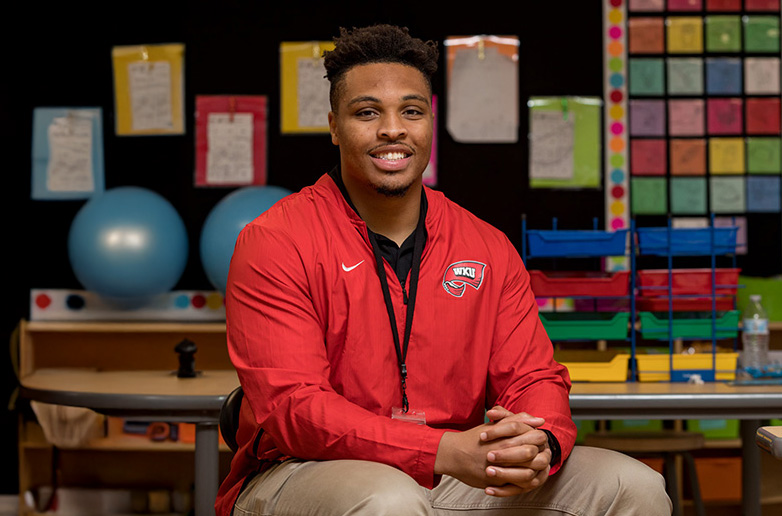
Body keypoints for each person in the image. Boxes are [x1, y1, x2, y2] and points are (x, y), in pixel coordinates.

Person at [216, 23, 672, 516]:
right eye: (367, 113)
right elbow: (294, 408)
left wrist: (540, 441)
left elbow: (534, 376)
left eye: (411, 111)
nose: (392, 129)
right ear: (333, 127)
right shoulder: (276, 241)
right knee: (390, 501)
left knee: (635, 485)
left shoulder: (486, 245)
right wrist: (440, 451)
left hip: (457, 469)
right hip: (304, 469)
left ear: (430, 123)